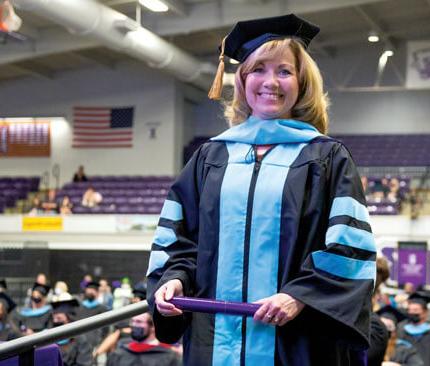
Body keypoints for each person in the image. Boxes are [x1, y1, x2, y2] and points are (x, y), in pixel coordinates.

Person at [147, 14, 376, 365]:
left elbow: (349, 249)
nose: (271, 82)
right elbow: (180, 240)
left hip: (295, 343)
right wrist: (175, 279)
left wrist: (299, 296)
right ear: (241, 80)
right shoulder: (211, 157)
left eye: (284, 71)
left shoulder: (326, 158)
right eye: (258, 70)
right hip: (213, 342)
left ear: (302, 83)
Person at [106, 312, 182, 366]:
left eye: (139, 322)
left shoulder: (168, 357)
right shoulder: (119, 353)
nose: (134, 325)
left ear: (152, 327)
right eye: (132, 321)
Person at [397, 292, 430, 366]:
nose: (412, 313)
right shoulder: (401, 332)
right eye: (410, 310)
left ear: (425, 312)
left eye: (416, 310)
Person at [51, 298, 93, 366]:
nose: (55, 321)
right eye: (54, 319)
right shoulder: (49, 339)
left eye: (59, 318)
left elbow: (84, 363)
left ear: (69, 319)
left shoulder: (80, 340)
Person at [77, 281, 109, 348]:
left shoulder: (102, 309)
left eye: (93, 290)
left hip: (95, 342)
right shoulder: (79, 307)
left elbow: (105, 329)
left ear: (97, 293)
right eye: (89, 290)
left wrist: (101, 342)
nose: (90, 292)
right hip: (79, 340)